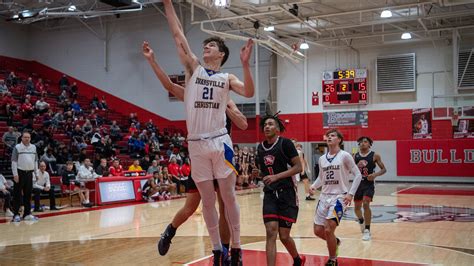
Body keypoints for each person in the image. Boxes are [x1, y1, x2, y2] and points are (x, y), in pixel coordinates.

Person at [142, 36, 249, 264]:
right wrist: (153, 62)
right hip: (201, 148)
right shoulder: (195, 91)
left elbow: (243, 124)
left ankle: (226, 250)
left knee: (225, 202)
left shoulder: (225, 88)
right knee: (192, 205)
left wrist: (227, 106)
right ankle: (170, 230)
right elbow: (170, 86)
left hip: (219, 149)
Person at [257, 114, 305, 266]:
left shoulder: (285, 144)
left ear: (277, 129)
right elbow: (266, 173)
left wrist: (277, 176)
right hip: (270, 193)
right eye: (265, 124)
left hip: (287, 193)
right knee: (271, 232)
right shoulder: (260, 147)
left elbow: (298, 167)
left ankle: (297, 259)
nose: (267, 126)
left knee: (284, 236)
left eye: (270, 124)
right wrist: (258, 174)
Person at [310, 129, 363, 266]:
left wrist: (351, 194)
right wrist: (314, 186)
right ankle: (336, 241)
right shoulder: (322, 158)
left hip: (340, 197)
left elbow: (358, 175)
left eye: (333, 135)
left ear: (339, 139)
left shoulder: (344, 156)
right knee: (318, 231)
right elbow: (321, 178)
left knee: (328, 229)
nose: (329, 137)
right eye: (328, 136)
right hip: (324, 196)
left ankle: (332, 259)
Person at [353, 136, 386, 241]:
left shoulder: (374, 155)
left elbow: (384, 169)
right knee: (357, 208)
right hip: (358, 184)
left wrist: (375, 175)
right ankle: (361, 220)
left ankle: (367, 230)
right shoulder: (355, 156)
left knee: (366, 203)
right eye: (361, 142)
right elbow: (350, 169)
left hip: (368, 184)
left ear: (369, 144)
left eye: (365, 142)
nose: (363, 143)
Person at [11, 132, 39, 222]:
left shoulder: (33, 147)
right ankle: (16, 214)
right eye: (25, 137)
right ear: (22, 138)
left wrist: (36, 173)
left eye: (28, 137)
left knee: (28, 195)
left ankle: (27, 214)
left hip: (29, 174)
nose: (27, 139)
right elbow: (14, 162)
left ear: (30, 138)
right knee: (17, 195)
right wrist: (15, 174)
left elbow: (35, 161)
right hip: (19, 173)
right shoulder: (17, 147)